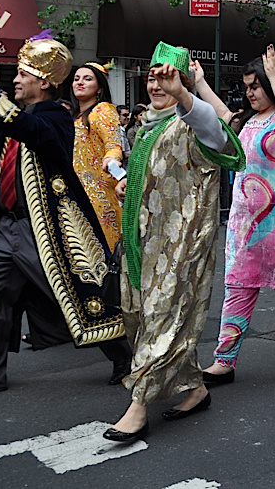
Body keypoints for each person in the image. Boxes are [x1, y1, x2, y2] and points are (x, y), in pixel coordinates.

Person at [0, 38, 131, 397]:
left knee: (78, 291)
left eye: (24, 73)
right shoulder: (19, 116)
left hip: (43, 228)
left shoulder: (56, 116)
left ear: (44, 82)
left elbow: (29, 132)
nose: (15, 79)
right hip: (5, 225)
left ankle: (122, 354)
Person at [102, 42, 244, 442]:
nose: (156, 83)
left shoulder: (191, 121)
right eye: (151, 76)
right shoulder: (144, 126)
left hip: (179, 245)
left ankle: (139, 406)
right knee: (141, 317)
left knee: (162, 317)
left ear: (182, 80)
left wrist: (186, 93)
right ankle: (195, 387)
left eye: (167, 76)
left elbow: (218, 137)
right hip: (141, 243)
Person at [198, 46, 275, 384]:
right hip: (244, 222)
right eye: (247, 86)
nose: (250, 92)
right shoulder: (248, 120)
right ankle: (224, 359)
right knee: (237, 285)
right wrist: (199, 83)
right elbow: (222, 113)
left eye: (256, 86)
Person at [70, 62, 124, 249]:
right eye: (76, 79)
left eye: (87, 78)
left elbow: (114, 145)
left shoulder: (102, 110)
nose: (80, 82)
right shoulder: (76, 117)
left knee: (104, 251)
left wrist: (113, 159)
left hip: (99, 197)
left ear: (99, 87)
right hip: (78, 194)